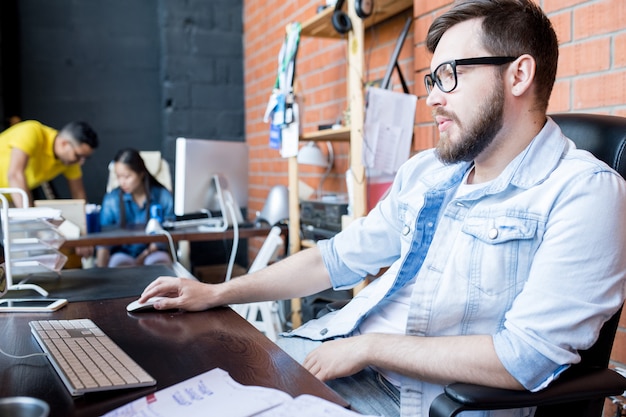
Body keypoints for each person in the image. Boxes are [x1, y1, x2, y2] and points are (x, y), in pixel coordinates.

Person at [137, 1, 626, 416]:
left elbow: (525, 357)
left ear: (519, 74)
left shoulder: (584, 192)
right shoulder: (428, 172)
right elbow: (334, 259)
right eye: (431, 78)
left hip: (417, 400)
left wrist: (367, 348)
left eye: (449, 75)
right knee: (166, 381)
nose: (432, 97)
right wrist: (217, 291)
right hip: (335, 351)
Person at [96, 148, 174, 268]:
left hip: (153, 252)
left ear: (141, 173)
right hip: (122, 253)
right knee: (118, 263)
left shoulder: (163, 195)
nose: (122, 182)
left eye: (127, 177)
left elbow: (169, 230)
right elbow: (104, 239)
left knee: (159, 261)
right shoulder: (111, 200)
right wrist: (99, 273)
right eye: (118, 177)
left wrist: (144, 255)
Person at [0, 119, 99, 208]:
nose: (81, 162)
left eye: (85, 157)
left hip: (7, 199)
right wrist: (29, 215)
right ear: (64, 143)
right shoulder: (32, 131)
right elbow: (14, 175)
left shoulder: (69, 161)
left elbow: (78, 195)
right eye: (78, 155)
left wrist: (85, 219)